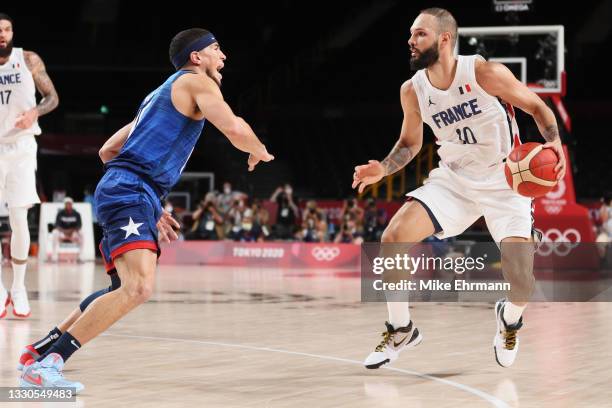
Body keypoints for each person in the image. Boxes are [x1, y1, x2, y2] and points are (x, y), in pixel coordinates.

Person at [19, 28, 274, 391]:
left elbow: (107, 150)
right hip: (133, 189)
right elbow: (234, 127)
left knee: (122, 286)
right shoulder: (197, 83)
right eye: (217, 49)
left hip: (126, 188)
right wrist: (258, 150)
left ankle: (39, 353)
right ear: (196, 56)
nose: (224, 56)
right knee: (138, 287)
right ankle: (50, 365)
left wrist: (150, 204)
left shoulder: (156, 97)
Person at [352, 8, 565, 369]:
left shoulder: (484, 73)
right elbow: (408, 145)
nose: (411, 41)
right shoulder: (413, 90)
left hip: (505, 182)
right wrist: (383, 169)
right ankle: (401, 328)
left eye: (419, 34)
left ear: (444, 38)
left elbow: (536, 106)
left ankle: (509, 320)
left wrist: (555, 142)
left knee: (522, 283)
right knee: (393, 236)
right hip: (454, 181)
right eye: (411, 34)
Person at [0, 13, 59, 319]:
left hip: (22, 146)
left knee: (19, 217)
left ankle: (19, 288)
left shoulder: (28, 59)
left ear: (12, 32)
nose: (2, 34)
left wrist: (35, 112)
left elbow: (52, 97)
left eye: (7, 29)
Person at [50, 197, 83, 262]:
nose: (68, 205)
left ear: (72, 204)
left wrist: (71, 231)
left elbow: (79, 225)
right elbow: (56, 225)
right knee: (54, 232)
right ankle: (54, 256)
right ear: (64, 205)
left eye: (69, 204)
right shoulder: (60, 213)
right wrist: (65, 232)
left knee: (82, 233)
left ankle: (80, 256)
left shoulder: (76, 214)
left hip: (73, 234)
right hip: (62, 233)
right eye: (66, 204)